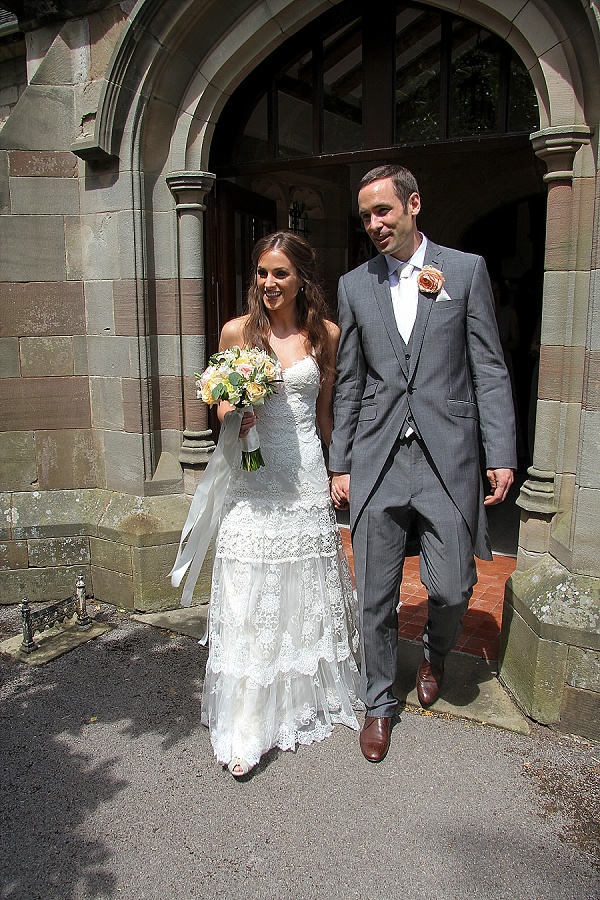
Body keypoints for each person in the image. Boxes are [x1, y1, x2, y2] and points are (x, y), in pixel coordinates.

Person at [329, 165, 517, 763]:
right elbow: (352, 380)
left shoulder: (465, 271)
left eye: (384, 211)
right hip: (379, 456)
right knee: (374, 594)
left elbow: (488, 367)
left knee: (457, 582)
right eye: (366, 216)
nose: (375, 225)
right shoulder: (355, 285)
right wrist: (341, 462)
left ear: (414, 205)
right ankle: (379, 702)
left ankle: (436, 652)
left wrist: (502, 452)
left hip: (449, 457)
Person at [201, 231, 362, 777]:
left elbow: (324, 414)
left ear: (301, 280)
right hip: (252, 475)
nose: (269, 284)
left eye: (280, 274)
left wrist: (337, 471)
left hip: (303, 476)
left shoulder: (326, 335)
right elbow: (217, 403)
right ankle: (247, 721)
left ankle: (295, 700)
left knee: (301, 590)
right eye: (262, 273)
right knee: (250, 592)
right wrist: (232, 413)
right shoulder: (237, 333)